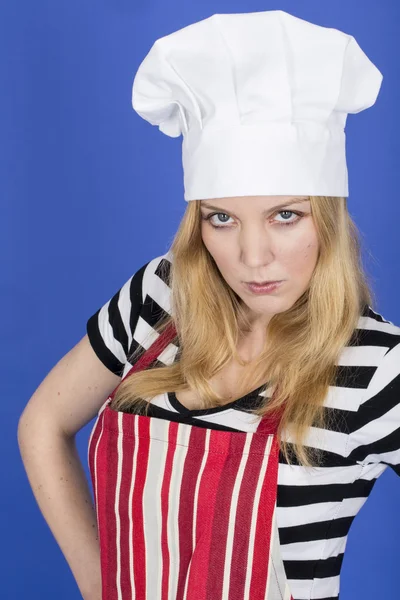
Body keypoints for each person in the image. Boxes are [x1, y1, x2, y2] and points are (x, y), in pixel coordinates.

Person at [17, 10, 400, 600]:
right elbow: (42, 424)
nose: (252, 256)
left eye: (285, 216)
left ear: (327, 216)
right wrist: (100, 586)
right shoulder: (158, 298)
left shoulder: (376, 367)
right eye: (222, 218)